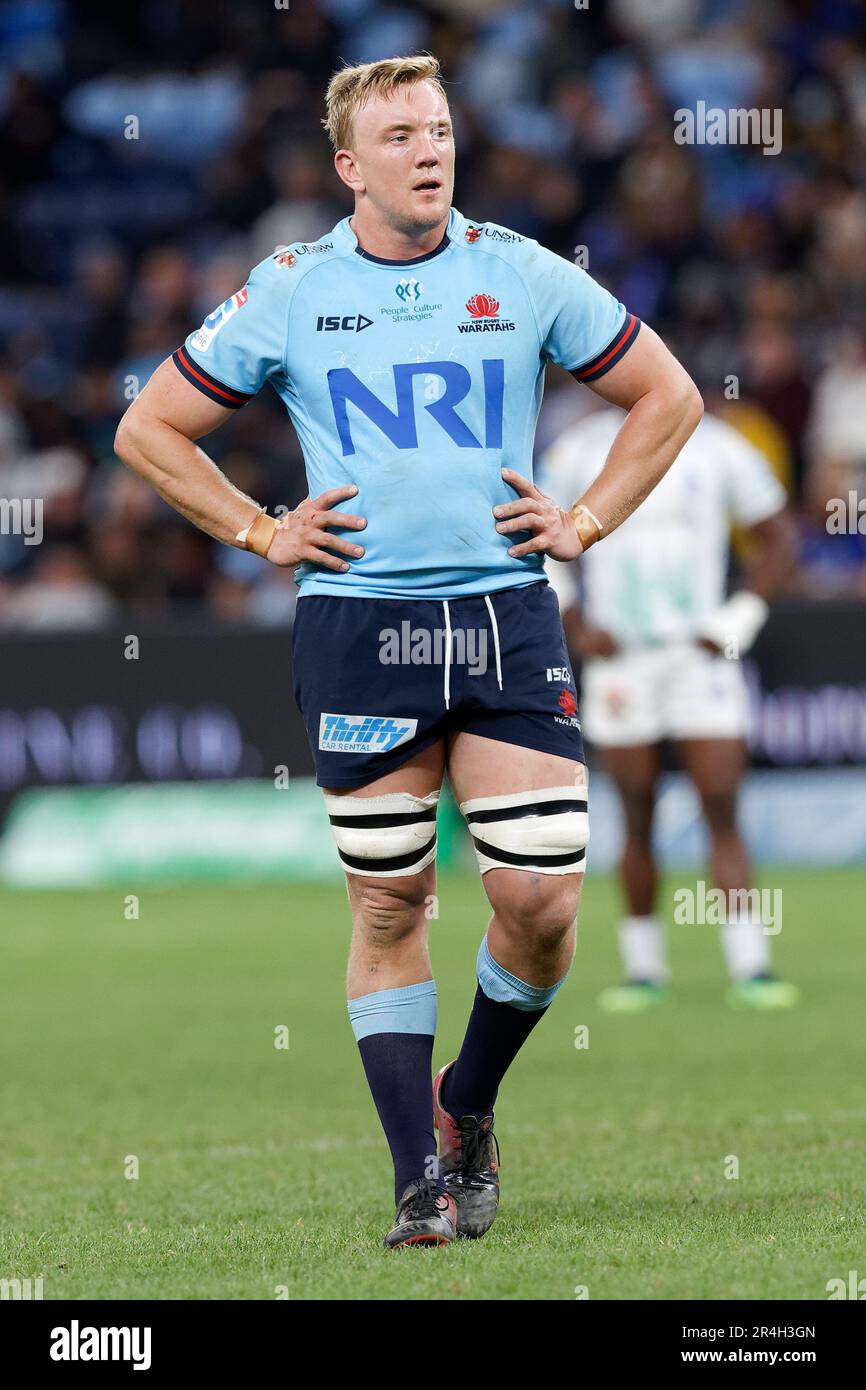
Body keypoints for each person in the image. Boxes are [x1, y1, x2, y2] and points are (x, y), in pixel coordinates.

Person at [114, 55, 703, 1249]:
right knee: (390, 901)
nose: (428, 151)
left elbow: (671, 396)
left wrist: (582, 519)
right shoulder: (290, 287)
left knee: (537, 900)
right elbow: (148, 428)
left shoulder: (520, 271)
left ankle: (466, 1104)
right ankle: (415, 1185)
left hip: (502, 613)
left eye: (437, 131)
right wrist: (257, 529)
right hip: (361, 627)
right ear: (347, 166)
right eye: (398, 137)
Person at [541, 406, 800, 1014]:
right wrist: (573, 620)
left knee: (721, 804)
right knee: (635, 811)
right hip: (622, 658)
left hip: (700, 655)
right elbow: (537, 538)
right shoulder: (577, 449)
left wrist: (739, 619)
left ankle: (751, 965)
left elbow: (781, 539)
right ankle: (643, 969)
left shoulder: (718, 446)